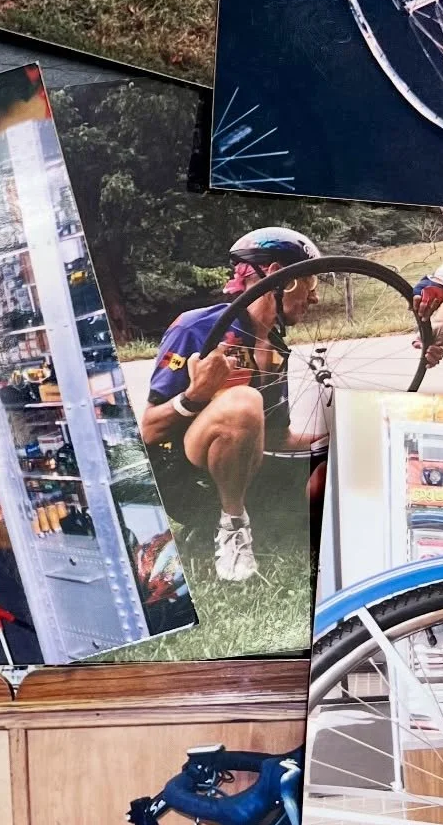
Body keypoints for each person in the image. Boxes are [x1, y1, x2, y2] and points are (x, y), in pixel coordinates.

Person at [139, 228, 325, 584]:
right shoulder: (195, 327)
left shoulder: (275, 346)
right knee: (243, 402)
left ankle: (242, 522)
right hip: (184, 476)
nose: (314, 297)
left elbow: (277, 437)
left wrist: (337, 439)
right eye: (310, 281)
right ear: (276, 275)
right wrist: (195, 395)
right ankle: (232, 527)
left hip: (244, 468)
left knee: (329, 469)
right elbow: (148, 429)